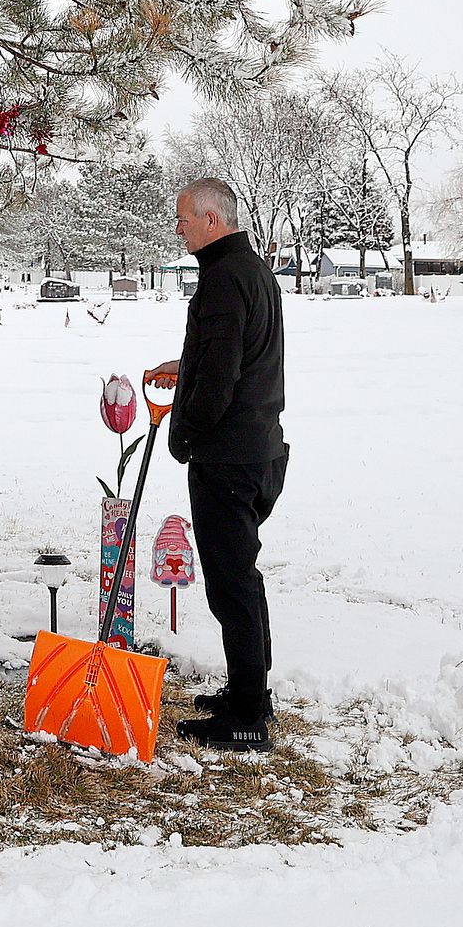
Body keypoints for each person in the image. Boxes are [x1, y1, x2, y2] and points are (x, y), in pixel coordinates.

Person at [166, 175, 288, 751]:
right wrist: (182, 366)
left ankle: (245, 718)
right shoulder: (254, 272)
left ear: (213, 219)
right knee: (243, 577)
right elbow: (231, 354)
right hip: (260, 448)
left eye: (186, 218)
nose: (180, 227)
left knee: (231, 582)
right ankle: (251, 694)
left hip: (228, 456)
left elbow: (219, 378)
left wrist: (184, 434)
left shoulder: (221, 281)